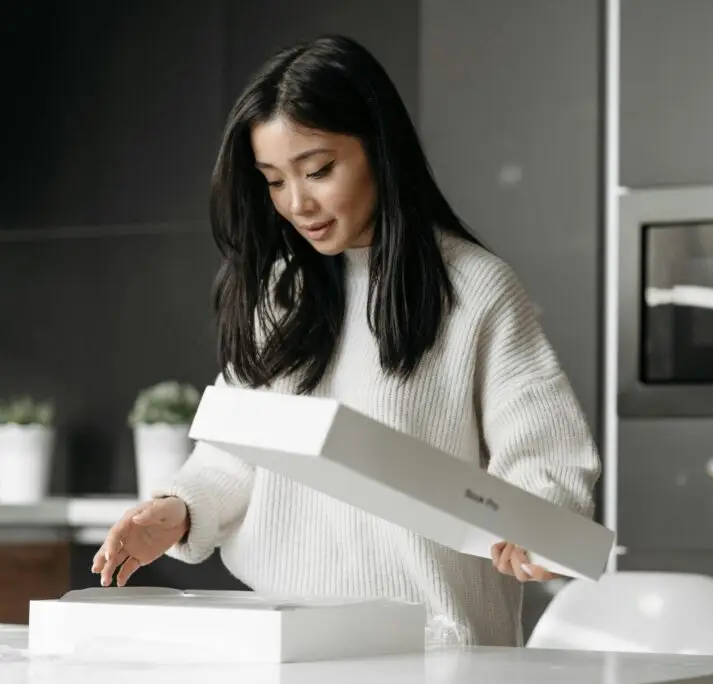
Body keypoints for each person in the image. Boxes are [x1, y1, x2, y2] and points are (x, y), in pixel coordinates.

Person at [91, 34, 600, 648]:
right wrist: (176, 512)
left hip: (435, 651)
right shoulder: (279, 294)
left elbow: (546, 453)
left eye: (318, 170)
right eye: (274, 181)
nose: (297, 203)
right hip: (290, 643)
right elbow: (234, 456)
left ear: (379, 150)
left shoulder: (475, 289)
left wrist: (539, 525)